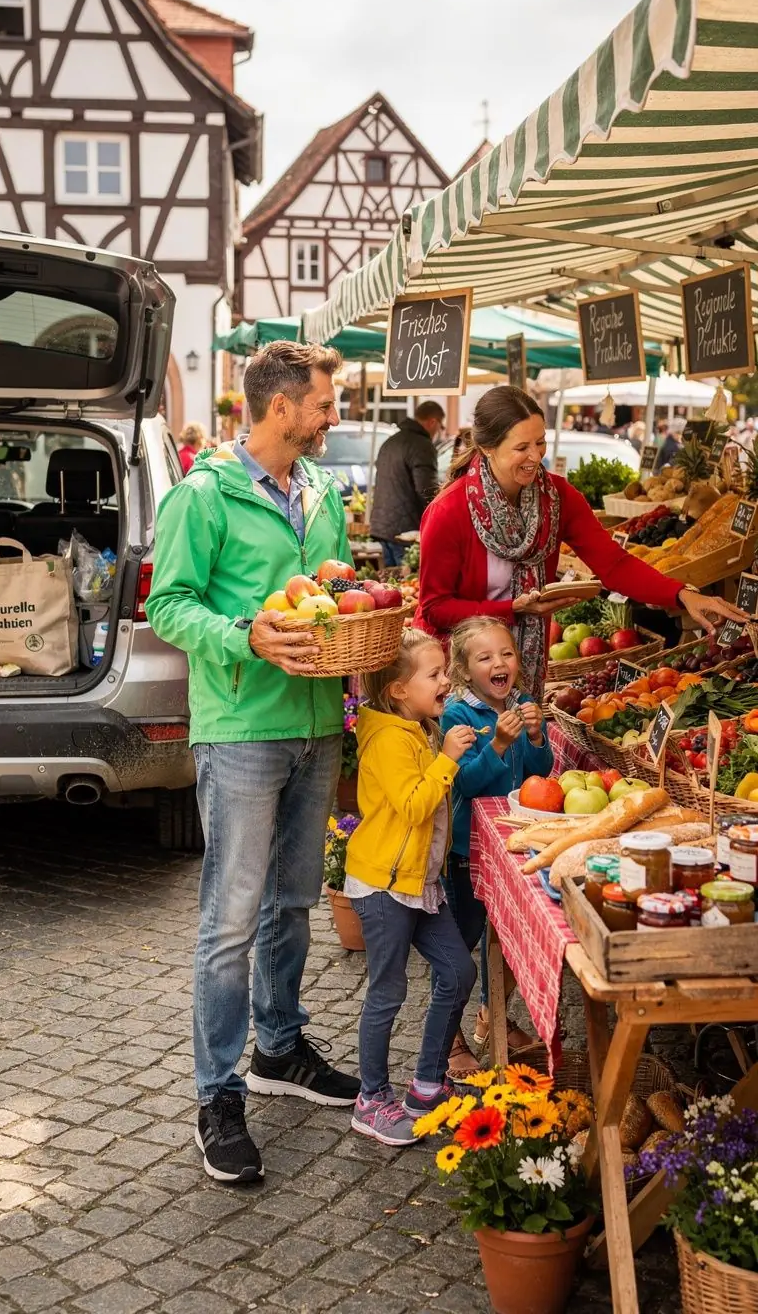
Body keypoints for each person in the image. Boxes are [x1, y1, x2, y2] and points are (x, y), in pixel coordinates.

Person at [146, 340, 361, 1185]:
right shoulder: (203, 495)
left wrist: (336, 582)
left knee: (294, 903)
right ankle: (216, 1092)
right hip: (239, 727)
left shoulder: (321, 491)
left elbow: (319, 594)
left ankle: (279, 1048)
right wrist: (242, 635)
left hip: (315, 724)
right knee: (230, 920)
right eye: (323, 403)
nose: (332, 416)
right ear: (280, 407)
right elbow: (168, 603)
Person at [415, 386, 746, 702]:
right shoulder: (448, 511)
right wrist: (513, 609)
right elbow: (435, 608)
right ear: (487, 448)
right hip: (456, 675)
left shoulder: (556, 497)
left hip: (520, 666)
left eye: (540, 443)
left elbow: (614, 565)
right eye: (521, 448)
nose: (535, 457)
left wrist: (683, 594)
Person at [344, 628, 477, 1146]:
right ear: (399, 690)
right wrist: (446, 757)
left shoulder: (417, 727)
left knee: (458, 970)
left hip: (419, 883)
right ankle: (371, 1099)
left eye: (445, 671)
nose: (447, 680)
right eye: (436, 674)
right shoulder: (389, 740)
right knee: (388, 990)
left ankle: (426, 1084)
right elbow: (415, 805)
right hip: (382, 888)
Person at [440, 617, 552, 1072]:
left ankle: (493, 1016)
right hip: (469, 849)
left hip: (513, 842)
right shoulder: (458, 715)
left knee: (503, 939)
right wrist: (500, 745)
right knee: (461, 942)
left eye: (506, 654)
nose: (499, 663)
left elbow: (538, 773)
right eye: (485, 658)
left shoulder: (523, 701)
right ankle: (447, 1036)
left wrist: (536, 737)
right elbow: (465, 781)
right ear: (466, 671)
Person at [370, 401, 446, 567]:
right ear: (433, 421)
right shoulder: (422, 446)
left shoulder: (392, 441)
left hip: (381, 527)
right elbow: (427, 490)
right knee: (408, 584)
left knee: (391, 585)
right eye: (440, 426)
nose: (438, 432)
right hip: (406, 531)